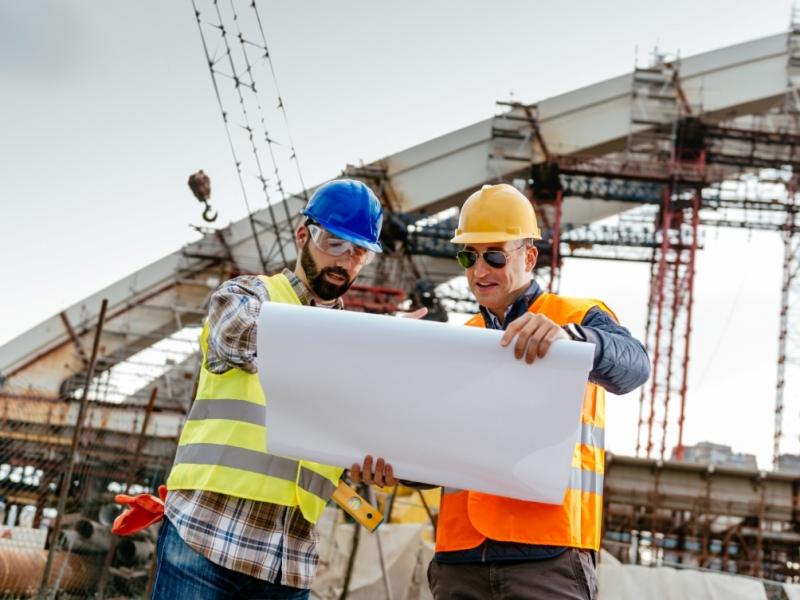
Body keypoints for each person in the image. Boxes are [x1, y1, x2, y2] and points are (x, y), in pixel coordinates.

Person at [152, 175, 407, 599]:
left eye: (358, 251)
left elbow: (353, 436)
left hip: (287, 561)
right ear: (303, 235)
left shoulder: (359, 347)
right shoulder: (248, 294)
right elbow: (237, 339)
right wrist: (365, 347)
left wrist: (375, 463)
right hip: (205, 536)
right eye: (334, 243)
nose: (344, 260)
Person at [427, 184, 650, 600]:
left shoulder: (576, 318)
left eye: (494, 256)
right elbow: (439, 453)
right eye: (467, 257)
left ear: (528, 257)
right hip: (459, 559)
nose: (479, 272)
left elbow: (635, 367)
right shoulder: (461, 341)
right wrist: (393, 468)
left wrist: (575, 340)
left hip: (548, 555)